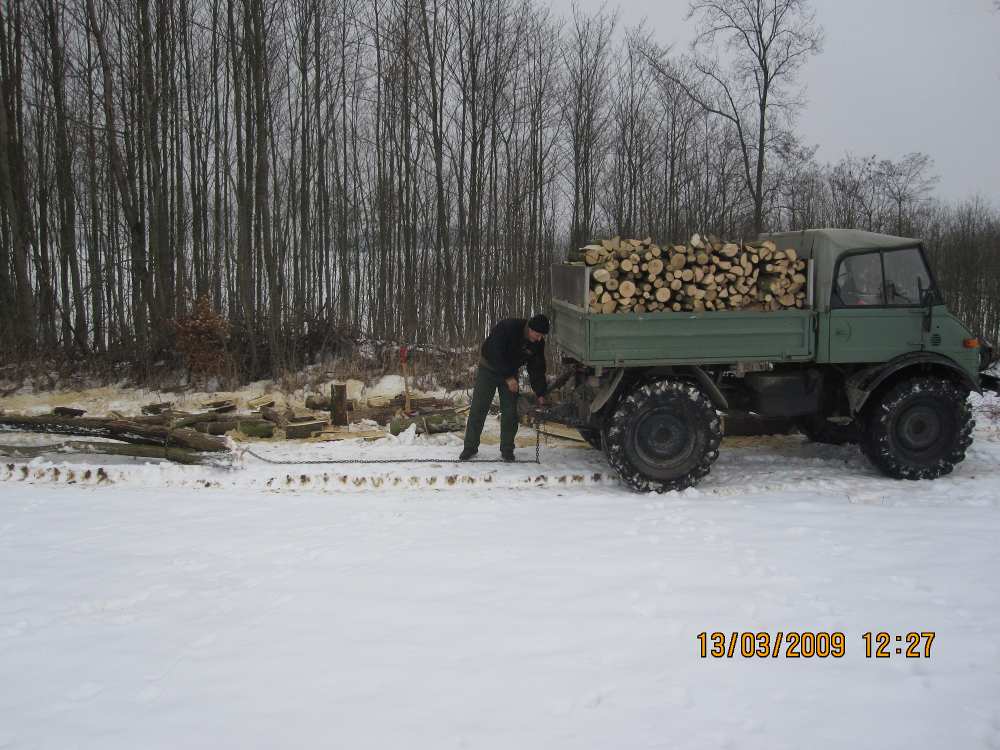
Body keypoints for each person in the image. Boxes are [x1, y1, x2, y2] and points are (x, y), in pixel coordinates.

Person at [459, 314, 549, 462]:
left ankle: (507, 449)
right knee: (479, 408)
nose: (539, 339)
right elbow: (494, 352)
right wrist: (508, 378)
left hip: (510, 373)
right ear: (530, 329)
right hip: (489, 369)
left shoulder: (537, 343)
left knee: (510, 411)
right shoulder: (508, 327)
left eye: (542, 336)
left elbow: (537, 368)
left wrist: (540, 392)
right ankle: (470, 447)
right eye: (538, 335)